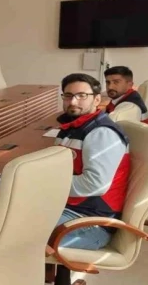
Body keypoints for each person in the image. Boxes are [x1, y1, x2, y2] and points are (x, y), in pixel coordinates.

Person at [54, 74, 130, 250]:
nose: (73, 101)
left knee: (19, 238)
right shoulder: (73, 126)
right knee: (9, 219)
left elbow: (94, 184)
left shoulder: (101, 133)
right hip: (67, 208)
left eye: (81, 95)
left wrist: (45, 184)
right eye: (68, 95)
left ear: (96, 100)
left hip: (90, 223)